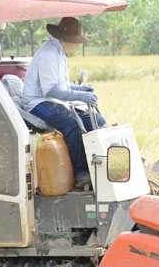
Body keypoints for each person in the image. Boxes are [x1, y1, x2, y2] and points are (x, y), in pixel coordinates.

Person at [21, 17, 105, 186]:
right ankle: (80, 172)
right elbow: (51, 90)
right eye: (77, 41)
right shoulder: (48, 55)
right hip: (38, 103)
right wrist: (81, 96)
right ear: (67, 39)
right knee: (72, 124)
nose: (77, 45)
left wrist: (81, 89)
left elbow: (63, 86)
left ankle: (97, 165)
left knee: (97, 120)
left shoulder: (60, 52)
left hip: (55, 101)